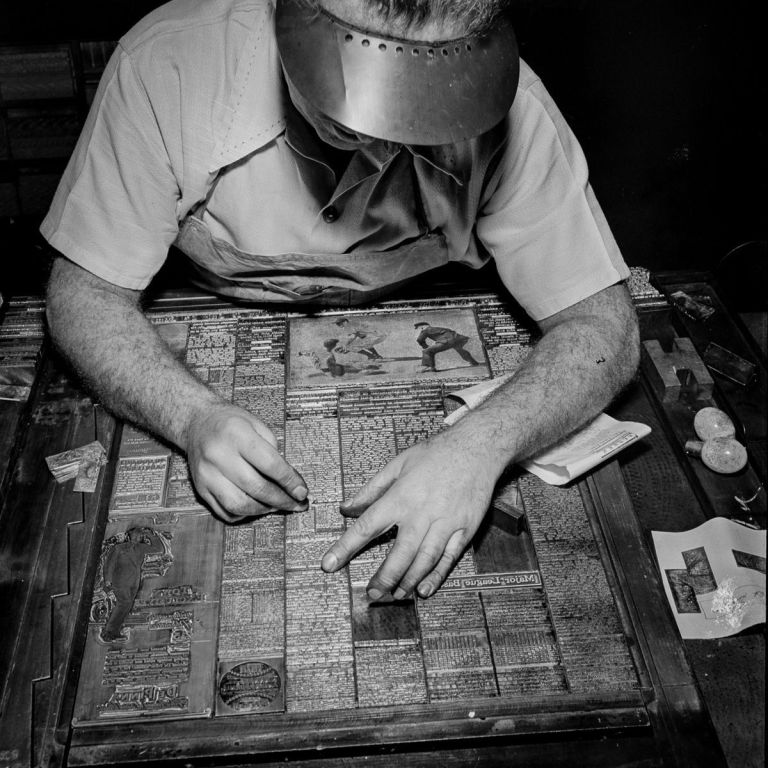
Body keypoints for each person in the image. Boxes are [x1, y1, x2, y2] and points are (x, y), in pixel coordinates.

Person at [42, 0, 639, 602]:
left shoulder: (516, 108)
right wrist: (192, 416)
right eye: (358, 62)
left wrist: (482, 446)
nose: (380, 132)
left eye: (421, 88)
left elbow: (601, 325)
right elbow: (85, 293)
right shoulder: (164, 66)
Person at [414, 321, 481, 372]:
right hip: (457, 338)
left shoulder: (425, 330)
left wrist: (425, 346)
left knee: (427, 351)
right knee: (459, 349)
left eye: (417, 328)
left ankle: (428, 366)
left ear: (422, 327)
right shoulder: (436, 328)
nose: (417, 330)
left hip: (447, 340)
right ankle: (473, 362)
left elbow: (419, 340)